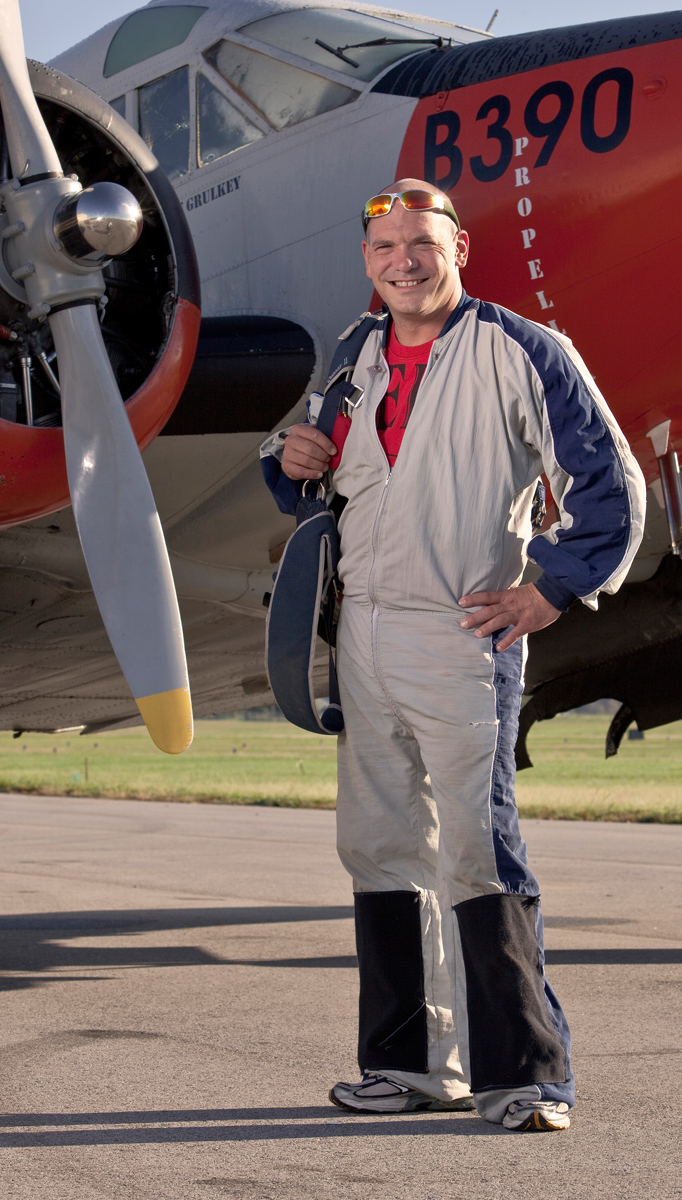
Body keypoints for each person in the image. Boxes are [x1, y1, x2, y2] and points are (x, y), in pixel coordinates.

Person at [261, 179, 646, 1132]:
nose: (404, 262)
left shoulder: (522, 350)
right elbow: (310, 470)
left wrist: (551, 589)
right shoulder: (355, 351)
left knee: (479, 847)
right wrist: (290, 458)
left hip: (462, 631)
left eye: (422, 244)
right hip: (363, 630)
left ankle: (527, 1077)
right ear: (368, 260)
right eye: (386, 248)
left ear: (459, 250)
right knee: (381, 847)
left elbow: (609, 484)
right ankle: (410, 1066)